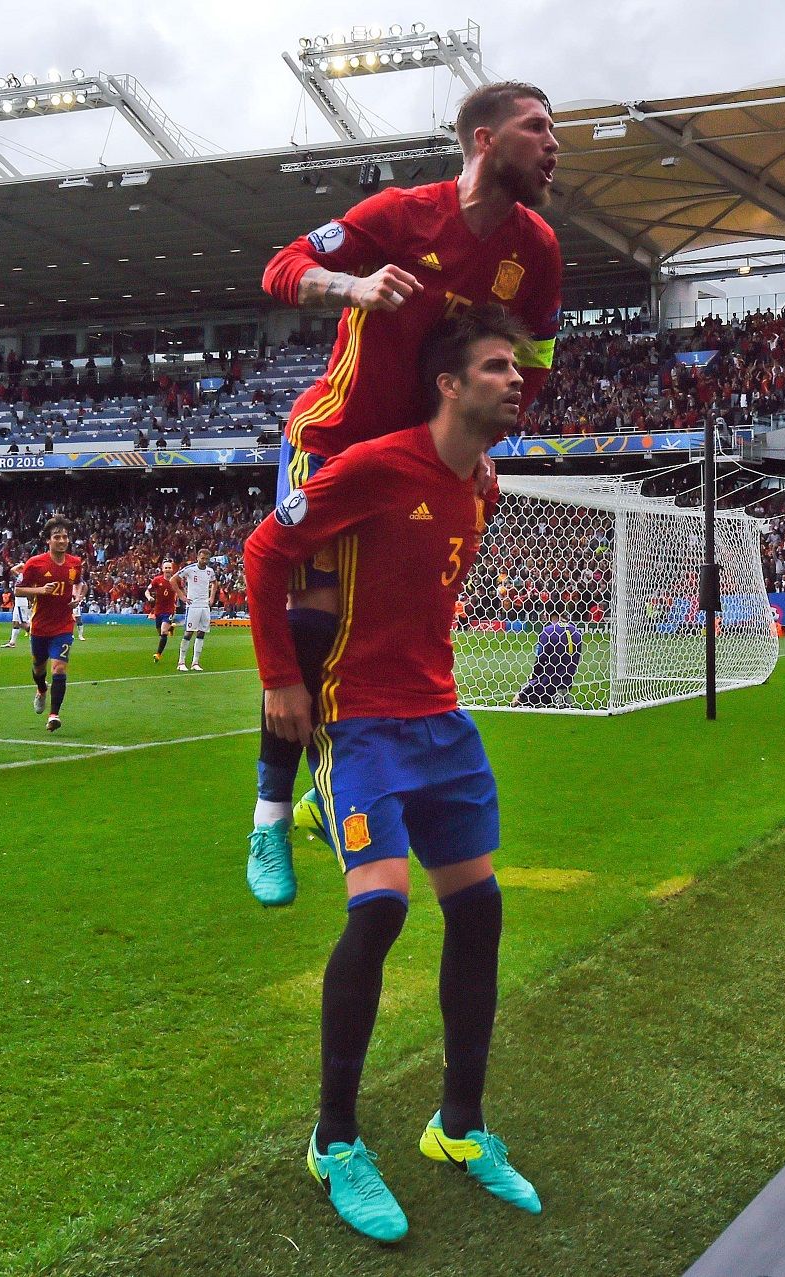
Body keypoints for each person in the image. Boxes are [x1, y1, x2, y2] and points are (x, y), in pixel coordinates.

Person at [244, 308, 543, 1243]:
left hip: (443, 721)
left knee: (480, 909)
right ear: (449, 385)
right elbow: (264, 552)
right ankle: (334, 1140)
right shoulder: (376, 467)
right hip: (362, 719)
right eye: (497, 366)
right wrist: (280, 678)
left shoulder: (479, 486)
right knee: (380, 908)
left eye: (519, 365)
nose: (516, 376)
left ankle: (458, 1128)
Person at [245, 79, 563, 908]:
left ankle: (336, 792)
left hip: (426, 461)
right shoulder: (399, 214)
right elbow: (281, 267)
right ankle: (269, 815)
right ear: (485, 141)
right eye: (538, 128)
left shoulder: (539, 250)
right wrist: (350, 287)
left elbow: (537, 359)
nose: (555, 142)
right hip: (335, 438)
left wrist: (495, 441)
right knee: (310, 623)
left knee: (394, 628)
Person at [13, 519, 82, 732]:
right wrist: (41, 590)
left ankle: (54, 715)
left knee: (59, 667)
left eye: (64, 537)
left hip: (63, 625)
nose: (62, 541)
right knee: (38, 668)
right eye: (57, 537)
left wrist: (78, 596)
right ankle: (41, 690)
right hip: (41, 626)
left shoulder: (75, 562)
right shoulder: (35, 563)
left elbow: (79, 582)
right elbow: (18, 590)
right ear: (48, 540)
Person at [173, 548, 219, 671]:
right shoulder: (190, 569)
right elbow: (173, 580)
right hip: (193, 605)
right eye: (202, 558)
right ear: (198, 557)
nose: (204, 561)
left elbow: (215, 583)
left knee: (201, 632)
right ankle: (181, 662)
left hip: (205, 606)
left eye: (206, 559)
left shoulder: (210, 571)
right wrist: (182, 596)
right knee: (189, 632)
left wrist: (211, 597)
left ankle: (195, 662)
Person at [146, 558, 179, 662]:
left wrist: (185, 598)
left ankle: (158, 654)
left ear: (172, 569)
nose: (168, 569)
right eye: (166, 568)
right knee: (160, 632)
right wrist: (149, 597)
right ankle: (171, 628)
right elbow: (147, 591)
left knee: (163, 632)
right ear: (162, 569)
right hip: (158, 610)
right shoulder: (157, 580)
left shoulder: (176, 580)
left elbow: (182, 590)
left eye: (169, 567)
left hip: (169, 610)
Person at [4, 570, 34, 649]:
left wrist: (30, 601)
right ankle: (12, 642)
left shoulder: (26, 578)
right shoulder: (21, 576)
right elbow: (12, 569)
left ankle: (37, 637)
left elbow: (29, 591)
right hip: (18, 602)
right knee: (15, 623)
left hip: (21, 602)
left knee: (22, 623)